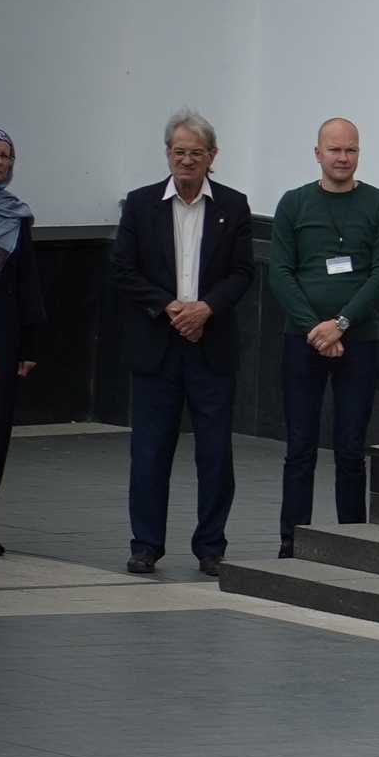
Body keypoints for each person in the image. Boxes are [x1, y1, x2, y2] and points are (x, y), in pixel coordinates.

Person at [108, 111, 255, 576]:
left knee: (215, 452)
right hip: (157, 346)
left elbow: (242, 272)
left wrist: (205, 309)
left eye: (196, 152)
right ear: (166, 153)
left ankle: (211, 546)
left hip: (211, 346)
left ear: (212, 157)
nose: (186, 159)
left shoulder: (234, 205)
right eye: (178, 151)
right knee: (150, 452)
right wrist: (170, 307)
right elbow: (122, 268)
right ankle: (146, 544)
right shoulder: (140, 203)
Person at [269, 119, 379, 559]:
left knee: (349, 448)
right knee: (300, 447)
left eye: (351, 150)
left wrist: (340, 324)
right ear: (317, 153)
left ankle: (351, 540)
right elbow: (280, 272)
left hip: (359, 341)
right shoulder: (294, 203)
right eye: (335, 150)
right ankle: (293, 537)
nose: (343, 158)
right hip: (302, 341)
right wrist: (316, 329)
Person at [0, 128, 47, 559]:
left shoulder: (15, 215)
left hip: (1, 335)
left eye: (7, 156)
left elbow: (27, 282)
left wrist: (28, 344)